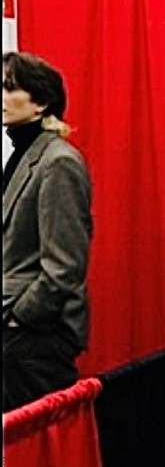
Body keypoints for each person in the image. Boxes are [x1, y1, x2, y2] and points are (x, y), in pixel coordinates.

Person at [2, 51, 93, 411]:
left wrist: (18, 318)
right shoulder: (24, 156)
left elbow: (64, 268)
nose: (3, 96)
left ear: (40, 103)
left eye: (11, 88)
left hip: (34, 341)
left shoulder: (59, 163)